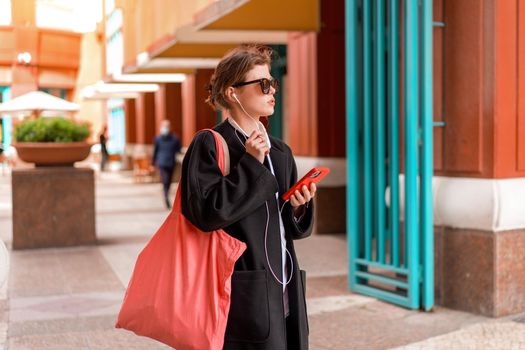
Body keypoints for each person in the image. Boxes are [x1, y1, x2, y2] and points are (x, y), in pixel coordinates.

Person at [180, 44, 316, 350]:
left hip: (284, 285)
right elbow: (206, 214)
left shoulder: (280, 152)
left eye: (273, 83)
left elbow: (291, 229)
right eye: (263, 84)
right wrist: (251, 164)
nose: (272, 91)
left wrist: (299, 206)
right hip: (239, 289)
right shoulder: (211, 144)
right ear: (232, 93)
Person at [152, 120, 181, 209]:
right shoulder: (157, 139)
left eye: (167, 126)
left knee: (168, 180)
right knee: (165, 179)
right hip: (162, 163)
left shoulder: (175, 138)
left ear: (170, 127)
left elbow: (178, 149)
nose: (165, 128)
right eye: (164, 126)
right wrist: (153, 162)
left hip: (171, 162)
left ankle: (166, 193)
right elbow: (155, 151)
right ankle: (166, 194)